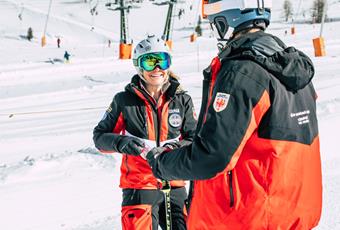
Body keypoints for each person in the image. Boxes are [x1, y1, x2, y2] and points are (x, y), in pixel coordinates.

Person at [145, 1, 322, 229]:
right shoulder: (289, 69)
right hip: (288, 214)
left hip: (246, 218)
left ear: (225, 17)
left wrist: (162, 164)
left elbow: (213, 157)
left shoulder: (242, 71)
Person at [93, 35, 197, 230]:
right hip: (139, 185)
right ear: (139, 66)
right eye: (149, 62)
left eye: (162, 60)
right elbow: (100, 137)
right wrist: (122, 143)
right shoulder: (124, 100)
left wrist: (174, 147)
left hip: (174, 181)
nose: (157, 68)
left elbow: (194, 138)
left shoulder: (182, 100)